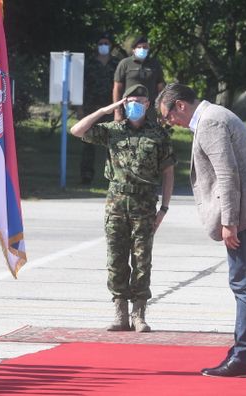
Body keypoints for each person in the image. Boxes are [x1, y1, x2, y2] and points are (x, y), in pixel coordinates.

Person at [155, 83, 246, 377]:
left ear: (180, 106)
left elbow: (227, 173)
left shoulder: (210, 121)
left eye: (168, 116)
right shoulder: (216, 115)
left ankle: (243, 359)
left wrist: (229, 221)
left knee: (245, 285)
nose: (169, 122)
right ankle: (243, 353)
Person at [71, 84, 175, 332]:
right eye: (129, 101)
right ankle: (120, 313)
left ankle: (139, 314)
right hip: (116, 203)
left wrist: (164, 209)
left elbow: (168, 173)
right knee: (116, 259)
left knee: (141, 259)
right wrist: (106, 110)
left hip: (145, 203)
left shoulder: (159, 135)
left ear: (148, 104)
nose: (134, 105)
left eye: (139, 101)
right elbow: (77, 130)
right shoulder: (112, 131)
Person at [79, 32, 120, 185]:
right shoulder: (89, 63)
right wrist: (80, 108)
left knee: (114, 141)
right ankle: (86, 175)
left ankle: (114, 174)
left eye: (106, 43)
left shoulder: (117, 63)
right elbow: (82, 86)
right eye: (101, 43)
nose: (104, 46)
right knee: (88, 142)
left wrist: (119, 110)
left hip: (111, 107)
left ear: (111, 46)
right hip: (91, 108)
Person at [113, 36, 165, 122]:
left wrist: (161, 110)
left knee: (151, 133)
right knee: (127, 133)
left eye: (145, 47)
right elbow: (117, 88)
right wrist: (117, 111)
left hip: (149, 108)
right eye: (139, 47)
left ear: (148, 49)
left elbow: (161, 88)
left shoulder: (155, 64)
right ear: (134, 49)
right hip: (130, 107)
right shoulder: (125, 63)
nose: (142, 49)